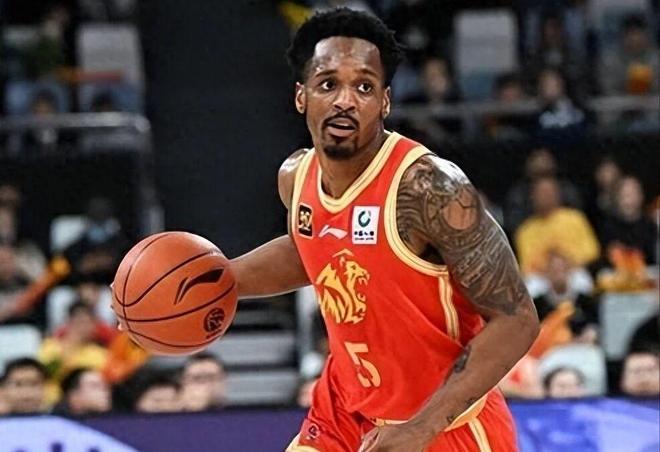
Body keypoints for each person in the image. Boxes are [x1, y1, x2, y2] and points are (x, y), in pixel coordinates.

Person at [229, 9, 539, 451]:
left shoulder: (431, 188)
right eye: (328, 84)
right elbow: (312, 248)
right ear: (301, 96)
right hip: (343, 408)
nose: (345, 100)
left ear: (385, 102)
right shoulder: (295, 176)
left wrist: (420, 428)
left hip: (443, 423)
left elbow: (517, 320)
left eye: (364, 87)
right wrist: (223, 280)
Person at [515, 176, 600, 274]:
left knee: (581, 279)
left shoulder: (575, 218)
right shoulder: (525, 231)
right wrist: (548, 268)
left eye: (549, 192)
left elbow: (592, 251)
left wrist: (566, 263)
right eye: (541, 193)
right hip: (542, 275)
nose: (545, 196)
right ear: (532, 197)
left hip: (573, 271)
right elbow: (525, 265)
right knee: (532, 282)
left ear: (558, 194)